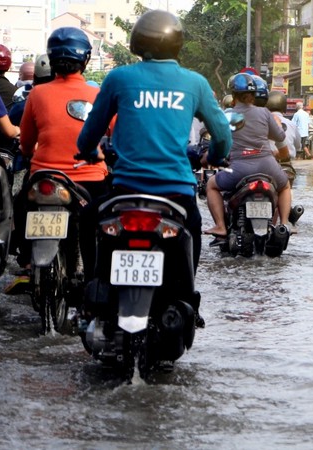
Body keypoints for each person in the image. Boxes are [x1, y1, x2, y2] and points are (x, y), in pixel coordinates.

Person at [76, 9, 232, 328]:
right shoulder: (195, 83)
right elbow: (223, 137)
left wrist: (90, 152)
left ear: (137, 43)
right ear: (177, 44)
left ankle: (92, 291)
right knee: (193, 229)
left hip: (125, 190)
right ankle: (187, 299)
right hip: (175, 192)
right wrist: (213, 156)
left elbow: (89, 135)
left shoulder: (120, 77)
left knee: (88, 218)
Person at [14, 27, 109, 284]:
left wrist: (25, 153)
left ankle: (26, 260)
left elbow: (26, 142)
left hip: (45, 177)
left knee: (21, 206)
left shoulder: (37, 94)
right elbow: (117, 132)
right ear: (86, 59)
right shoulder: (98, 95)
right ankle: (94, 281)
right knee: (100, 227)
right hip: (90, 180)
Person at [203, 73, 293, 241]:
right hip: (268, 167)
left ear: (233, 96)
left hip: (239, 170)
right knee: (285, 186)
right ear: (253, 95)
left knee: (211, 186)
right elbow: (280, 137)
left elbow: (218, 143)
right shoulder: (264, 113)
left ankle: (221, 226)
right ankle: (285, 223)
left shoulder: (227, 115)